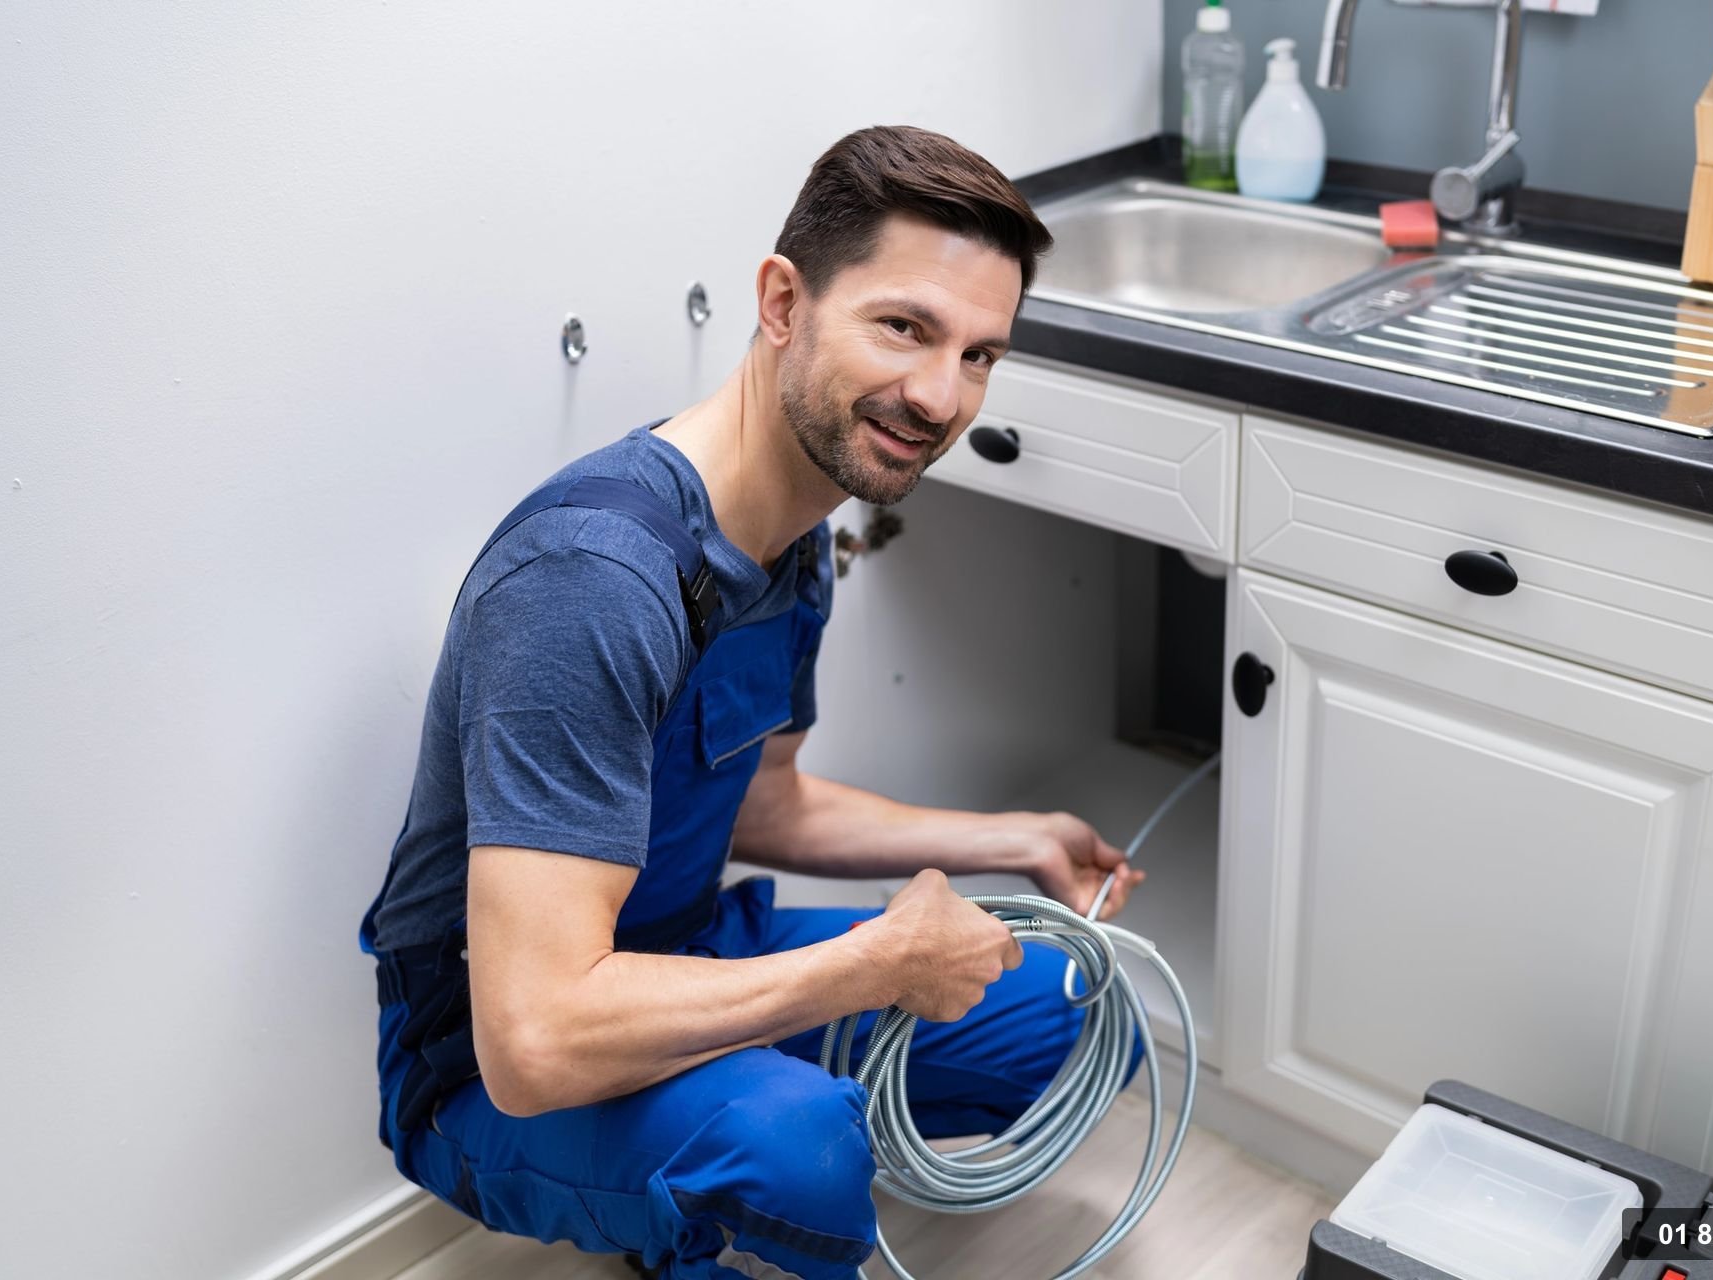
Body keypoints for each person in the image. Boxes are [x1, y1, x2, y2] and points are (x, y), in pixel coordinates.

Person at [357, 125, 1145, 1280]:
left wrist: (1015, 839)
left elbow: (766, 809)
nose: (940, 395)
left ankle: (716, 1154)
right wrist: (874, 961)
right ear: (784, 301)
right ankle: (719, 1179)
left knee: (1071, 1001)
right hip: (490, 1066)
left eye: (981, 354)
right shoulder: (593, 584)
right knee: (799, 1146)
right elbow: (530, 1040)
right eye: (904, 326)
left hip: (688, 955)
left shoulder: (793, 540)